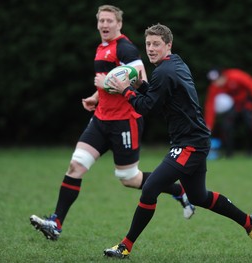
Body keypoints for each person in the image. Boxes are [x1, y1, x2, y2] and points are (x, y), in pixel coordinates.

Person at [29, 5, 194, 241]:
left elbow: (140, 76)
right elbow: (110, 82)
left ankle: (179, 190)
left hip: (124, 122)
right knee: (75, 167)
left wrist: (106, 82)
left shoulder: (125, 48)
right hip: (100, 120)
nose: (105, 25)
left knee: (129, 179)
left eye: (109, 20)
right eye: (101, 21)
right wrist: (97, 96)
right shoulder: (101, 48)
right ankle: (56, 223)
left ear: (119, 24)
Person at [103, 23, 252, 259]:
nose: (150, 48)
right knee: (199, 196)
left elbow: (146, 107)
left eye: (156, 44)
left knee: (149, 189)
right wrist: (142, 85)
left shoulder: (164, 72)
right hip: (195, 139)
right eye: (148, 44)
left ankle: (125, 246)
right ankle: (250, 222)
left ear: (168, 45)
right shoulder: (174, 64)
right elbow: (161, 100)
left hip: (189, 144)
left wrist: (127, 90)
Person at [204, 68, 252, 157]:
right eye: (213, 81)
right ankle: (229, 153)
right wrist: (208, 125)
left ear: (222, 76)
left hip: (246, 104)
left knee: (251, 126)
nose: (215, 83)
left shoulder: (235, 75)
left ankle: (251, 151)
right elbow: (210, 106)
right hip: (232, 108)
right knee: (226, 127)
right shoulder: (214, 87)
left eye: (217, 80)